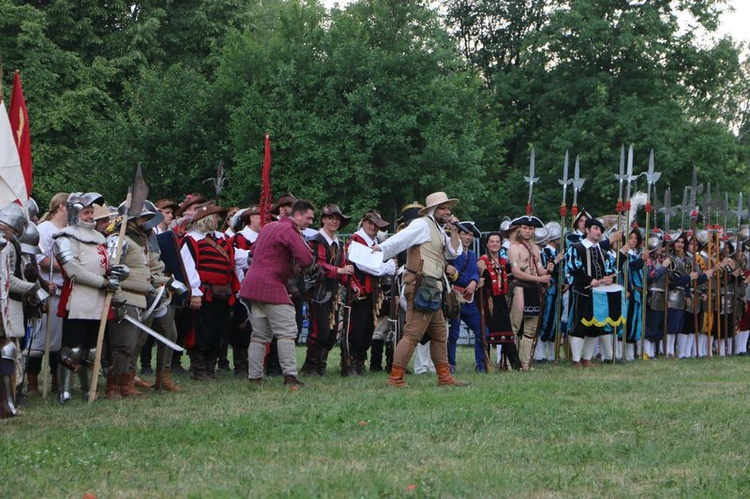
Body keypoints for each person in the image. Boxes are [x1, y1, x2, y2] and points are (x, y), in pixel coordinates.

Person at [372, 191, 468, 387]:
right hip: (420, 285)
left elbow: (452, 252)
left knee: (441, 334)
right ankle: (395, 378)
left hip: (431, 288)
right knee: (413, 334)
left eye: (448, 208)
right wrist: (381, 249)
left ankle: (444, 377)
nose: (447, 212)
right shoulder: (422, 224)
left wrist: (456, 231)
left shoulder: (438, 229)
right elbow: (401, 239)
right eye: (443, 208)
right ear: (434, 210)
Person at [52, 193, 127, 401]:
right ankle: (65, 391)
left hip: (98, 300)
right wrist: (103, 282)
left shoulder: (99, 238)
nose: (89, 216)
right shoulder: (65, 238)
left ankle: (88, 390)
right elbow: (73, 269)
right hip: (77, 299)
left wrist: (117, 272)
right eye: (86, 212)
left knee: (92, 351)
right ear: (75, 213)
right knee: (72, 350)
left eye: (91, 212)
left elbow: (104, 266)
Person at [241, 199, 316, 388]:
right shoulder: (289, 231)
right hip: (270, 285)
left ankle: (254, 378)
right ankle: (290, 376)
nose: (310, 222)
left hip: (251, 285)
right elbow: (306, 260)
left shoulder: (269, 227)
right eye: (308, 218)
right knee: (287, 332)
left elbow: (253, 252)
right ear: (296, 215)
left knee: (259, 335)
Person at [180, 202, 239, 380]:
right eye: (215, 216)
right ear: (204, 219)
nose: (218, 219)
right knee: (200, 333)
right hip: (204, 294)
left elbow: (236, 258)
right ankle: (199, 370)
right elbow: (188, 267)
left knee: (218, 332)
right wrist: (195, 293)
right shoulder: (191, 239)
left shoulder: (221, 239)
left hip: (223, 294)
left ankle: (209, 369)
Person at [303, 204, 356, 376]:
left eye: (337, 219)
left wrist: (352, 284)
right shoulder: (316, 241)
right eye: (331, 218)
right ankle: (311, 367)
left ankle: (321, 365)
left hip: (333, 292)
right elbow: (317, 264)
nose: (334, 221)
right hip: (319, 291)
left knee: (332, 332)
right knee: (319, 330)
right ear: (324, 219)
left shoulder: (339, 244)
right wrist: (339, 271)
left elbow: (342, 268)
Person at [345, 210, 396, 375]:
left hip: (371, 292)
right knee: (357, 330)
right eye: (370, 223)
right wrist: (388, 267)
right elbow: (365, 265)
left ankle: (360, 362)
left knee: (368, 330)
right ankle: (350, 362)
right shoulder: (356, 240)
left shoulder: (373, 241)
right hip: (358, 291)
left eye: (376, 225)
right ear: (364, 222)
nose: (373, 228)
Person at [27, 193, 68, 395]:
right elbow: (41, 260)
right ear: (61, 206)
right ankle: (32, 384)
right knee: (39, 340)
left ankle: (56, 382)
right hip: (46, 290)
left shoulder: (68, 231)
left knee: (57, 342)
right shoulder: (44, 230)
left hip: (63, 291)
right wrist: (70, 267)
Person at [566, 217, 618, 367]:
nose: (598, 232)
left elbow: (610, 269)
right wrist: (589, 280)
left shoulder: (602, 252)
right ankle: (576, 359)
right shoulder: (576, 247)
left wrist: (609, 279)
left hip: (599, 295)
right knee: (580, 324)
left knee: (595, 326)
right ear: (587, 229)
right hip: (582, 292)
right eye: (595, 228)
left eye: (600, 230)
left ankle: (587, 359)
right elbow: (573, 267)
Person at [506, 215, 551, 371]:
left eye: (530, 228)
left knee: (530, 329)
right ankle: (511, 363)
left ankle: (525, 363)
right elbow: (516, 272)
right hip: (519, 288)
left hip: (533, 288)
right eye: (525, 228)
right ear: (519, 229)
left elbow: (540, 270)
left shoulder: (535, 249)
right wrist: (540, 279)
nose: (527, 231)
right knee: (514, 326)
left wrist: (549, 270)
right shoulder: (514, 247)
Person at [477, 232, 520, 370]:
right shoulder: (482, 261)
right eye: (492, 241)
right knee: (490, 331)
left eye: (497, 241)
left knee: (506, 330)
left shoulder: (503, 261)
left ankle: (513, 364)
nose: (494, 244)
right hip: (488, 300)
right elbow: (477, 279)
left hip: (501, 299)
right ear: (487, 244)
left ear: (501, 244)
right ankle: (487, 364)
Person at [446, 221, 484, 373]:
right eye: (464, 234)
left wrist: (474, 281)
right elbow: (453, 274)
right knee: (453, 334)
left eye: (470, 235)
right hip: (454, 298)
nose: (467, 237)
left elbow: (474, 270)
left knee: (482, 331)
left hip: (469, 299)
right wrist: (469, 281)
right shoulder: (452, 253)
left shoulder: (473, 254)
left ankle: (481, 365)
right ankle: (451, 365)